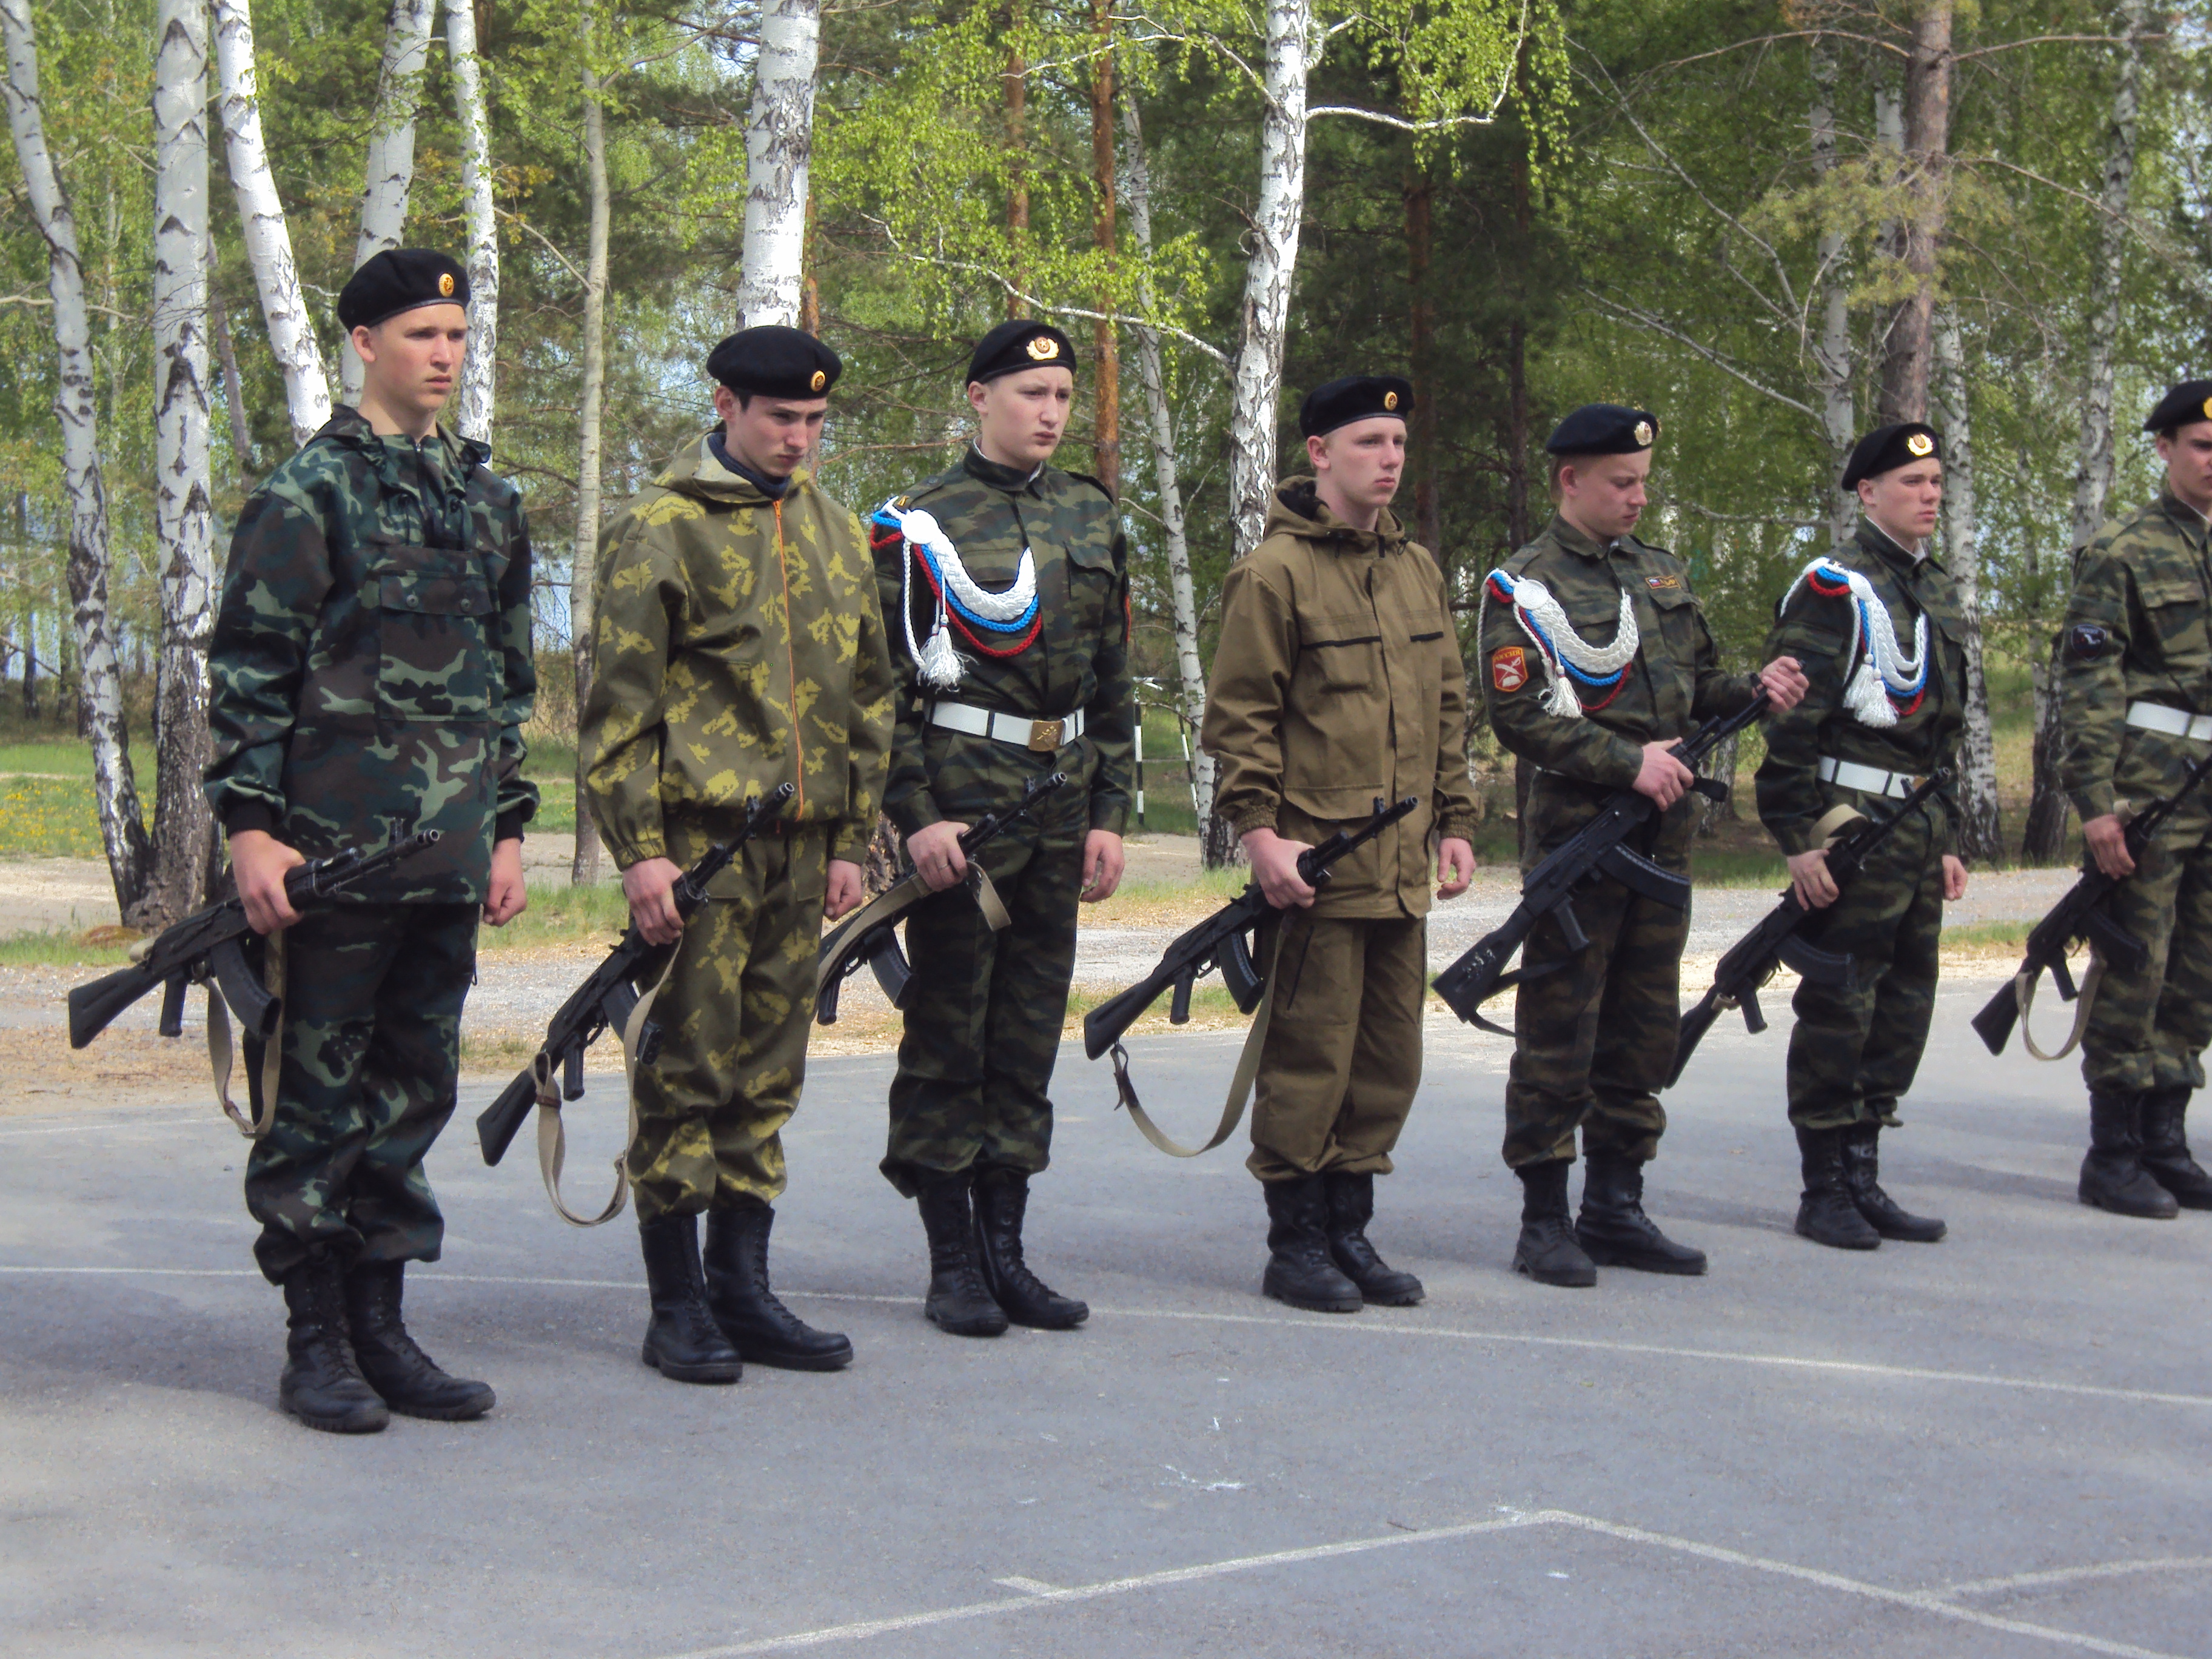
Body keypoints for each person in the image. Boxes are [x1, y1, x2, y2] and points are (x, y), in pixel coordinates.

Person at [204, 247, 535, 1433]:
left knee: (412, 1093)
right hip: (330, 860)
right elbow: (250, 674)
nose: (444, 356)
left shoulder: (487, 503)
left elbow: (507, 685)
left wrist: (506, 829)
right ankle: (317, 1341)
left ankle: (383, 1327)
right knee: (316, 1100)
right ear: (364, 344)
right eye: (420, 336)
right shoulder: (309, 496)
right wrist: (251, 829)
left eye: (456, 337)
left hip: (446, 860)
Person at [582, 325, 894, 1384]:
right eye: (780, 418)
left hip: (804, 853)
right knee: (687, 1066)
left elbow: (868, 695)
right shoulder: (661, 528)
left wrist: (852, 838)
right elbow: (619, 708)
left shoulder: (837, 530)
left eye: (815, 421)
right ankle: (678, 1307)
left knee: (768, 1070)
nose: (799, 439)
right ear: (725, 405)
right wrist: (640, 854)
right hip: (700, 847)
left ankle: (744, 1289)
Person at [1480, 404, 1808, 1287]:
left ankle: (1616, 1207)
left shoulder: (1658, 572)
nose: (1637, 497)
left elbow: (1697, 685)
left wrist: (1759, 687)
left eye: (1643, 483)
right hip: (1584, 840)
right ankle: (1544, 1220)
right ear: (1571, 480)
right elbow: (1519, 716)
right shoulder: (1525, 585)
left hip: (1663, 844)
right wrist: (1630, 764)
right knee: (1561, 1029)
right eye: (1621, 483)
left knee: (1642, 1027)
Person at [871, 319, 1133, 1338]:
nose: (1051, 413)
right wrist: (917, 818)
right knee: (951, 1032)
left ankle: (1007, 1253)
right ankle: (953, 1264)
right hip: (967, 812)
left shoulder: (1092, 514)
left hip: (1061, 801)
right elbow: (885, 693)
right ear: (979, 398)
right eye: (1032, 394)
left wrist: (1111, 813)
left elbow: (1113, 681)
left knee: (1026, 1034)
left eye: (1063, 396)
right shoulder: (918, 524)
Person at [1200, 374, 1479, 1312]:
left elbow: (1447, 709)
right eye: (1368, 442)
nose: (1389, 460)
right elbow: (1242, 720)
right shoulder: (1274, 574)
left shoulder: (1419, 570)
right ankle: (1298, 1244)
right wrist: (1260, 835)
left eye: (1397, 443)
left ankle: (1351, 1231)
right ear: (1319, 453)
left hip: (1401, 869)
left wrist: (1456, 820)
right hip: (1317, 865)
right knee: (1309, 1059)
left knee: (1387, 1059)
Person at [1757, 422, 1968, 1250]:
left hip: (1915, 825)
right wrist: (1798, 837)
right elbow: (1790, 725)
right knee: (1841, 1004)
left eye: (1937, 482)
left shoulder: (1933, 586)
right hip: (1851, 826)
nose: (1929, 495)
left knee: (1904, 1003)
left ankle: (1864, 1171)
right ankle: (1824, 1188)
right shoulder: (1834, 589)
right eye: (1913, 483)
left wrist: (1945, 836)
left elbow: (1941, 732)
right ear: (1868, 493)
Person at [2055, 380, 2212, 1220]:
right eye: (2202, 447)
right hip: (2151, 789)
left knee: (2199, 969)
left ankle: (2166, 1142)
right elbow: (2089, 684)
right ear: (2164, 448)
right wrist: (2096, 802)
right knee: (2136, 967)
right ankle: (2112, 1154)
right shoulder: (2122, 550)